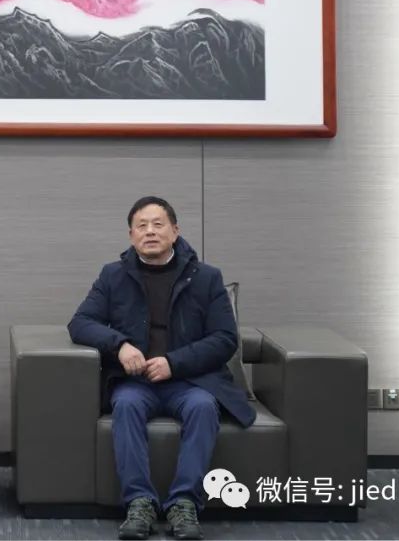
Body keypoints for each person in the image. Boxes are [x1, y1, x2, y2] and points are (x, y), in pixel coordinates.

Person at [68, 196, 254, 541]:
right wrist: (120, 345)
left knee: (203, 408)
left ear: (175, 231)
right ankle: (140, 503)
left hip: (192, 381)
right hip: (135, 382)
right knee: (126, 406)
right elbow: (80, 323)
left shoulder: (206, 278)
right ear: (131, 235)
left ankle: (184, 503)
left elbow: (225, 338)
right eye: (142, 226)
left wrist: (174, 363)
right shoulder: (113, 275)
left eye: (158, 224)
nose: (150, 231)